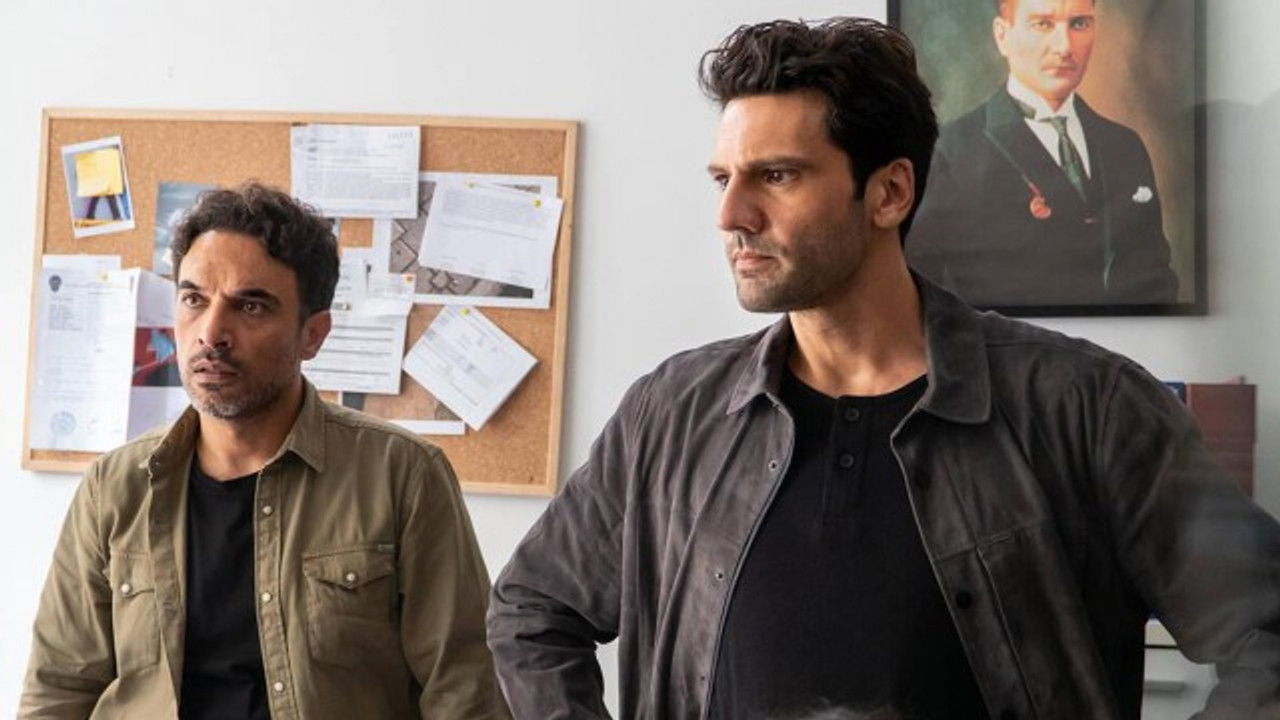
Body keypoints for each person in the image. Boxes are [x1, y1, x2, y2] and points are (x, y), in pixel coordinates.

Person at [487, 17, 1280, 720]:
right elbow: (531, 612)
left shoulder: (1086, 407)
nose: (732, 216)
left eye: (777, 175)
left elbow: (1267, 629)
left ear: (890, 192)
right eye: (724, 179)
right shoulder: (672, 412)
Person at [21, 183, 509, 719]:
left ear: (313, 335)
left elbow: (465, 691)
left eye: (250, 305)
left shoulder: (402, 475)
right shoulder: (115, 486)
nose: (211, 333)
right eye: (193, 299)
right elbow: (58, 689)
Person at [906, 0, 1180, 308]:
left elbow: (1156, 279)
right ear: (1002, 36)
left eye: (1079, 24)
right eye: (1043, 24)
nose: (1064, 47)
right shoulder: (952, 150)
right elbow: (928, 286)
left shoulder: (1125, 146)